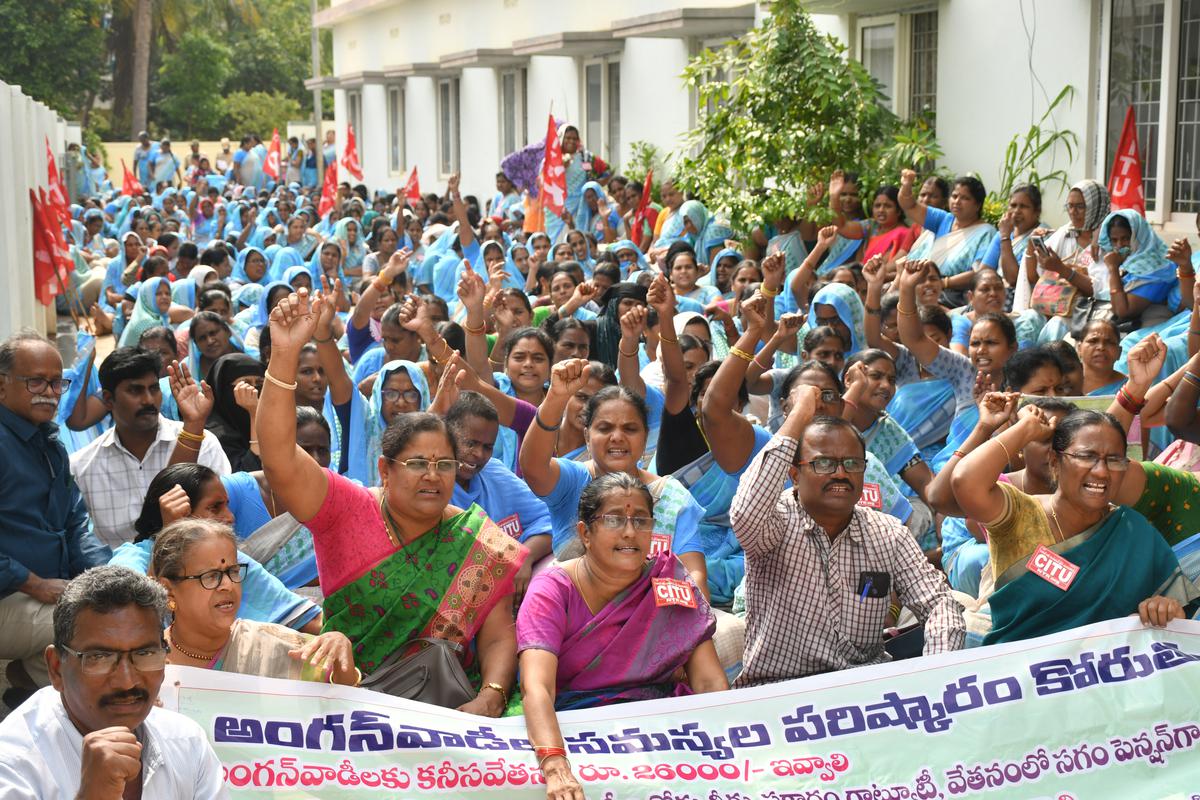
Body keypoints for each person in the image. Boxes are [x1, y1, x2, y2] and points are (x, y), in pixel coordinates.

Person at [257, 289, 526, 715]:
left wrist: (491, 695)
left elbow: (497, 634)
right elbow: (278, 457)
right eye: (418, 463)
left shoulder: (477, 539)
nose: (433, 475)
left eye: (445, 464)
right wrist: (283, 355)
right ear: (385, 470)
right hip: (350, 695)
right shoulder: (346, 508)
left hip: (447, 702)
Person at [729, 384, 964, 686]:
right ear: (794, 475)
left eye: (852, 463)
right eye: (823, 463)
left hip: (864, 692)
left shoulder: (888, 532)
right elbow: (745, 512)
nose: (840, 473)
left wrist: (936, 678)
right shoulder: (774, 523)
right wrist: (801, 411)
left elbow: (939, 604)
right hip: (781, 692)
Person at [519, 473, 727, 794]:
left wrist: (727, 753)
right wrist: (555, 764)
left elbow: (709, 682)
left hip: (661, 730)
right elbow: (537, 687)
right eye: (614, 519)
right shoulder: (552, 590)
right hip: (577, 728)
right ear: (585, 533)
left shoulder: (669, 582)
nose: (630, 532)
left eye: (641, 521)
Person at [951, 406, 1198, 644]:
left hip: (1098, 676)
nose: (1101, 472)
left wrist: (1165, 610)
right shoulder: (1020, 512)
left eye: (1114, 460)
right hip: (1017, 671)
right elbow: (965, 481)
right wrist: (1025, 428)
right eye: (1086, 456)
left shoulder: (1135, 532)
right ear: (1055, 462)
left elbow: (1177, 616)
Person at [0, 566, 227, 798]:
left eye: (145, 654)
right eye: (99, 658)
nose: (127, 682)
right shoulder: (12, 764)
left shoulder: (186, 741)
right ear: (56, 669)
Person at [0, 332, 111, 703]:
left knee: (112, 605)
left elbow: (75, 520)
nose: (49, 391)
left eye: (57, 381)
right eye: (36, 381)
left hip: (43, 593)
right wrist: (33, 583)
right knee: (91, 626)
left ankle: (29, 685)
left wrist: (103, 576)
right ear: (2, 387)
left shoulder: (49, 441)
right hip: (11, 594)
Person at [152, 518, 357, 683]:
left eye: (233, 571)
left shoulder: (275, 646)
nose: (228, 585)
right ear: (169, 590)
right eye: (211, 576)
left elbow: (341, 700)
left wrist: (339, 656)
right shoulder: (146, 664)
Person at [70, 348, 229, 548]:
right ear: (109, 400)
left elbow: (226, 515)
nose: (148, 400)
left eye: (153, 388)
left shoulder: (203, 443)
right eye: (135, 390)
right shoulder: (82, 467)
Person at [898, 168, 996, 293]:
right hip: (921, 286)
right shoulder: (943, 219)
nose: (957, 202)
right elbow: (909, 206)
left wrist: (944, 283)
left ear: (977, 205)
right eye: (954, 196)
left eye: (965, 198)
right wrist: (906, 185)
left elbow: (979, 273)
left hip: (954, 296)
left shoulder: (986, 233)